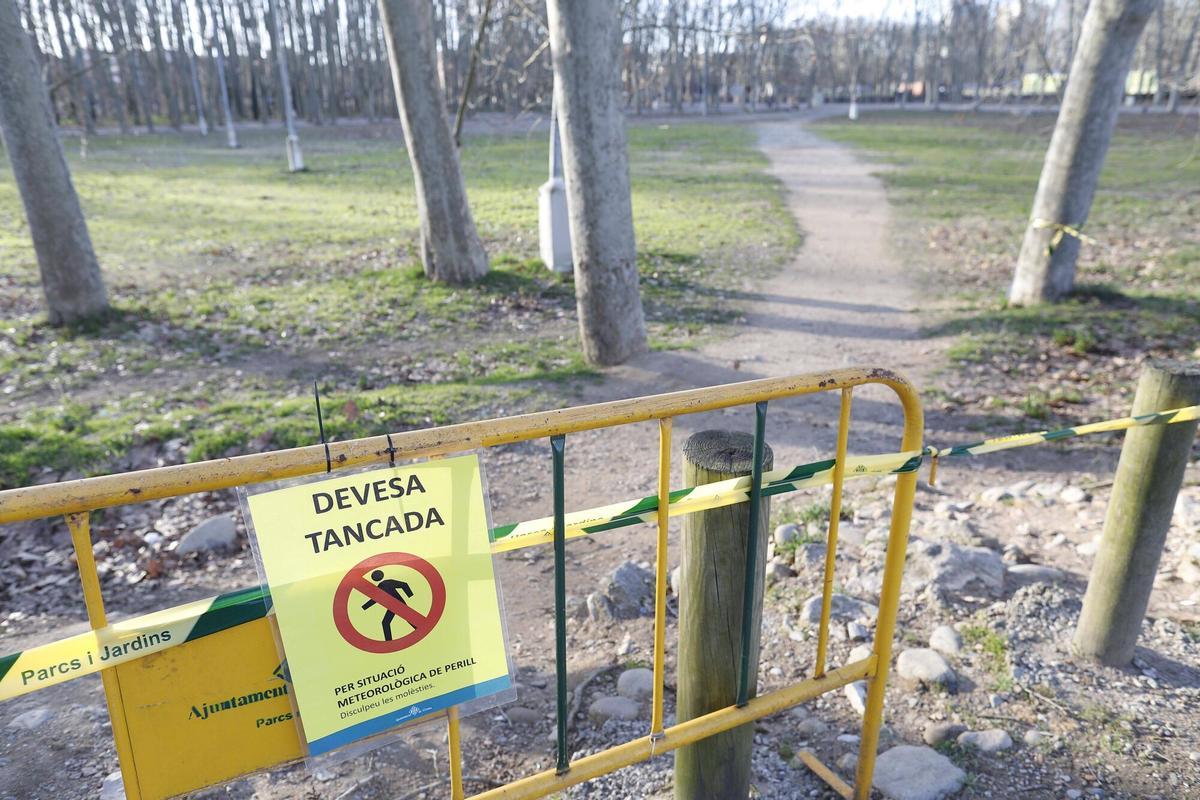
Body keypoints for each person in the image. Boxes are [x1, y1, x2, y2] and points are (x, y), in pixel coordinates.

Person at [361, 569, 415, 641]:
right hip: (396, 606)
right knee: (386, 622)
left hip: (397, 605)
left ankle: (389, 641)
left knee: (386, 622)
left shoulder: (381, 586)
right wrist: (409, 595)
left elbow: (375, 599)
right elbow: (404, 585)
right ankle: (389, 641)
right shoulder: (388, 582)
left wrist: (364, 607)